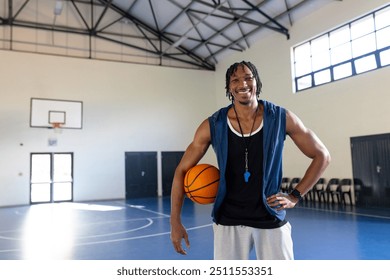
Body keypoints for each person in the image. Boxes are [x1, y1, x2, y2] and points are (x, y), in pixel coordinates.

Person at [170, 61, 331, 260]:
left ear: (257, 82)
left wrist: (295, 195)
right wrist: (175, 222)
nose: (242, 84)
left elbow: (322, 155)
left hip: (270, 217)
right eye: (235, 80)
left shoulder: (281, 117)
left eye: (248, 77)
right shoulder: (213, 124)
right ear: (229, 87)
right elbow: (181, 171)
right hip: (228, 221)